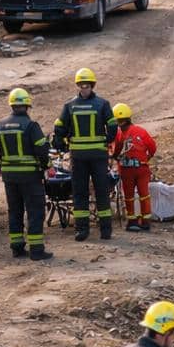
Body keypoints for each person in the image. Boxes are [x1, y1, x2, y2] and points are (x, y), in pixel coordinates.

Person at [0, 88, 52, 260]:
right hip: (30, 177)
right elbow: (42, 149)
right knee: (35, 211)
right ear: (27, 105)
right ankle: (36, 250)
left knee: (15, 211)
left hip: (10, 178)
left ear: (12, 105)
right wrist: (46, 165)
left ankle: (17, 248)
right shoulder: (31, 125)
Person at [52, 67, 117, 241]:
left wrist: (62, 143)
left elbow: (59, 128)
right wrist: (106, 141)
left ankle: (98, 230)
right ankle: (89, 230)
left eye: (86, 85)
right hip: (93, 156)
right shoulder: (102, 104)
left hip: (82, 156)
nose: (84, 88)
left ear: (92, 85)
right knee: (92, 191)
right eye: (82, 85)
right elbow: (112, 126)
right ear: (79, 86)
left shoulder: (70, 106)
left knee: (88, 192)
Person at [109, 103, 157, 233]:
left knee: (129, 196)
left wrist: (114, 156)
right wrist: (147, 158)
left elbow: (116, 151)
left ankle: (132, 221)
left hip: (126, 170)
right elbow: (152, 147)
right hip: (141, 168)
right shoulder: (141, 131)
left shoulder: (119, 134)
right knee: (143, 194)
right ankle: (145, 222)